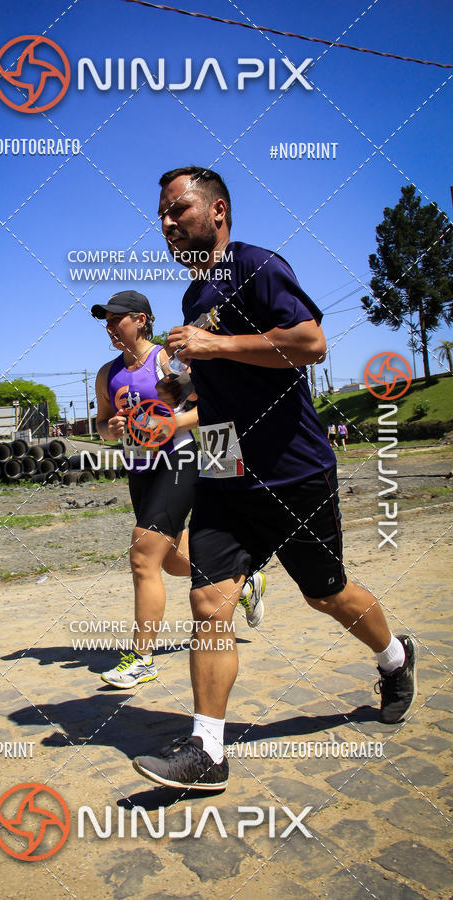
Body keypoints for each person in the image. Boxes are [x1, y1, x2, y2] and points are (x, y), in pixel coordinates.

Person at [132, 167, 417, 791]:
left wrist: (215, 347)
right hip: (224, 465)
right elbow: (220, 382)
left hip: (293, 469)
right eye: (161, 215)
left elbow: (310, 343)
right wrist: (181, 390)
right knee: (209, 601)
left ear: (218, 211)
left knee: (326, 594)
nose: (167, 222)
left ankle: (395, 657)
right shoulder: (193, 297)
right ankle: (208, 751)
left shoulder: (256, 266)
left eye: (178, 209)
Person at [92, 289, 267, 688]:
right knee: (168, 560)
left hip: (179, 459)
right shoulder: (106, 373)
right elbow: (102, 425)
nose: (110, 326)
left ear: (141, 320)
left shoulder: (166, 360)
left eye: (117, 319)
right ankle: (242, 578)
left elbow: (212, 408)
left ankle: (141, 659)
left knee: (142, 555)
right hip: (139, 468)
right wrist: (111, 429)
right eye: (106, 321)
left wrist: (170, 423)